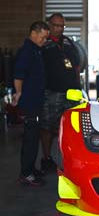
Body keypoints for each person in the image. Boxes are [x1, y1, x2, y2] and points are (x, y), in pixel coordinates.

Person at [40, 13, 81, 171]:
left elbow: (76, 66)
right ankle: (46, 158)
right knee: (47, 126)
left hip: (71, 92)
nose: (59, 29)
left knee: (70, 127)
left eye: (62, 26)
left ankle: (69, 159)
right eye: (56, 25)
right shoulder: (44, 43)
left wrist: (78, 86)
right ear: (49, 25)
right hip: (51, 92)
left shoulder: (69, 43)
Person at [13, 21, 50, 185]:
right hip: (29, 102)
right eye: (42, 38)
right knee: (30, 138)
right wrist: (18, 93)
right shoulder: (27, 51)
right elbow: (19, 75)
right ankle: (26, 173)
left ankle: (30, 168)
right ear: (33, 34)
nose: (44, 41)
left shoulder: (37, 50)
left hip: (37, 101)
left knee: (34, 137)